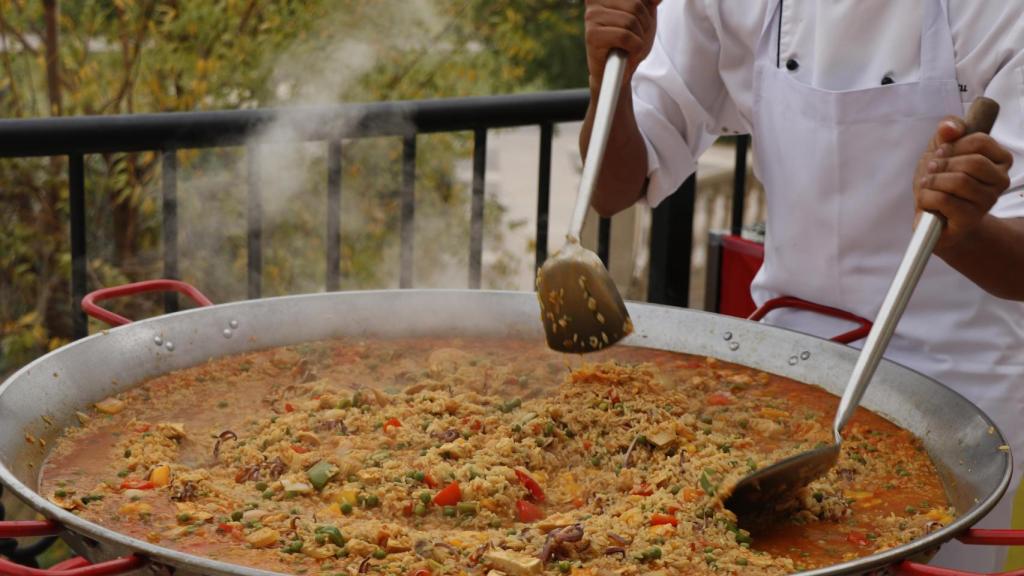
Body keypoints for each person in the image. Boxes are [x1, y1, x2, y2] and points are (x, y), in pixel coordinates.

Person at [581, 0, 1024, 570]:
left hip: (954, 393)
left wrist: (962, 230)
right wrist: (609, 77)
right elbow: (613, 187)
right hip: (784, 371)